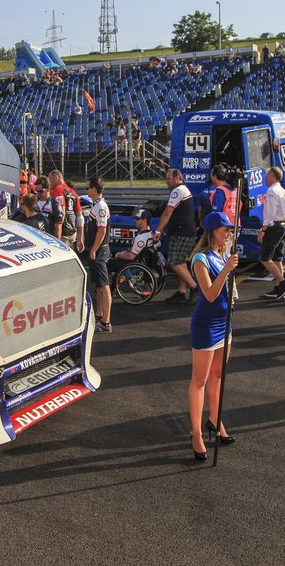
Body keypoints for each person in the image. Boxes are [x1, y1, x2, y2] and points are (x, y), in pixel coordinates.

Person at [188, 211, 241, 461]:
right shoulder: (201, 259)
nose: (229, 233)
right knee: (199, 380)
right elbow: (209, 295)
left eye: (230, 229)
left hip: (225, 322)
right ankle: (196, 433)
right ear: (212, 232)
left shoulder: (222, 253)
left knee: (218, 376)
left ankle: (215, 420)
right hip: (206, 325)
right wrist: (228, 269)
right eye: (224, 230)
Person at [153, 169, 200, 303]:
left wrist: (158, 230)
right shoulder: (182, 190)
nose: (166, 181)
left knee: (174, 262)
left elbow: (168, 212)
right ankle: (181, 291)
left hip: (182, 232)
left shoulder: (178, 191)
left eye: (168, 178)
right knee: (181, 262)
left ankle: (195, 287)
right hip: (184, 231)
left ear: (177, 178)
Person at [259, 167, 285, 299]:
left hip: (275, 226)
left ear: (272, 176)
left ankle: (283, 283)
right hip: (284, 225)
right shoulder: (283, 191)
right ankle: (280, 286)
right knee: (277, 258)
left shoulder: (271, 191)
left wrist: (263, 230)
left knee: (265, 258)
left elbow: (269, 214)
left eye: (267, 175)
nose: (265, 177)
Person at [86, 177, 112, 334]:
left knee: (104, 285)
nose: (86, 190)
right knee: (98, 287)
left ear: (94, 190)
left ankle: (106, 321)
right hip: (96, 249)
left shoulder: (101, 206)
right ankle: (99, 315)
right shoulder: (96, 205)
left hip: (100, 250)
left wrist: (94, 249)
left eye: (88, 187)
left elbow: (102, 230)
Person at [107, 208, 155, 273]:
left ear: (144, 220)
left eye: (137, 219)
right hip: (140, 262)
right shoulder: (150, 233)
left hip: (135, 264)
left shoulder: (141, 238)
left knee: (108, 264)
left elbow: (131, 256)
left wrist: (118, 255)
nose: (135, 221)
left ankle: (106, 283)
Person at [48, 170, 83, 252]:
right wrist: (80, 238)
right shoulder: (73, 191)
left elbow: (61, 213)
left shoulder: (58, 189)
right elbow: (80, 217)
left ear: (56, 178)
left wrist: (57, 235)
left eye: (50, 180)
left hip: (63, 233)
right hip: (72, 233)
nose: (49, 183)